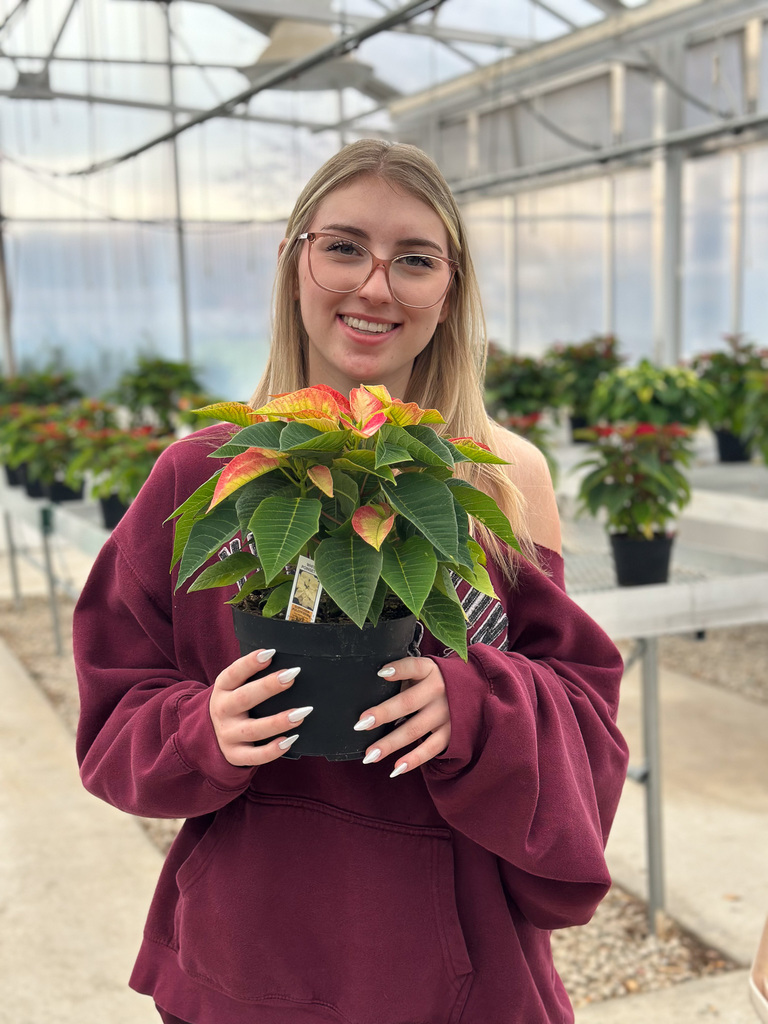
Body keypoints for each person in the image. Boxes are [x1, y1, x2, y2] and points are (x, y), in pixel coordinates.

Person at [74, 139, 629, 1024]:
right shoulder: (201, 474)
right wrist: (200, 728)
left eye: (414, 259)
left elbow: (586, 724)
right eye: (343, 248)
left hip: (454, 974)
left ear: (449, 293)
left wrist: (476, 706)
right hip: (245, 958)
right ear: (297, 263)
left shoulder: (496, 477)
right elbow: (114, 715)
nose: (375, 286)